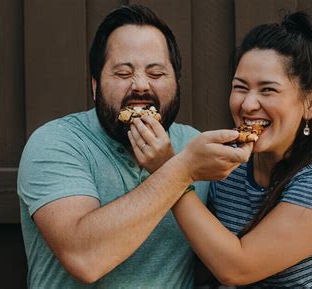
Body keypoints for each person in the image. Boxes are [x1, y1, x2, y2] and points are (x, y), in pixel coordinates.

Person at [17, 4, 250, 288]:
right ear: (94, 86)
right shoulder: (56, 142)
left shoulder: (195, 145)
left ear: (176, 83)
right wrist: (181, 169)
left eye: (156, 74)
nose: (140, 86)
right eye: (123, 73)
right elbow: (84, 258)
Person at [167, 12, 312, 287]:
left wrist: (172, 171)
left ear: (311, 104)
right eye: (240, 87)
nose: (248, 104)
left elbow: (237, 267)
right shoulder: (228, 175)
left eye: (268, 90)